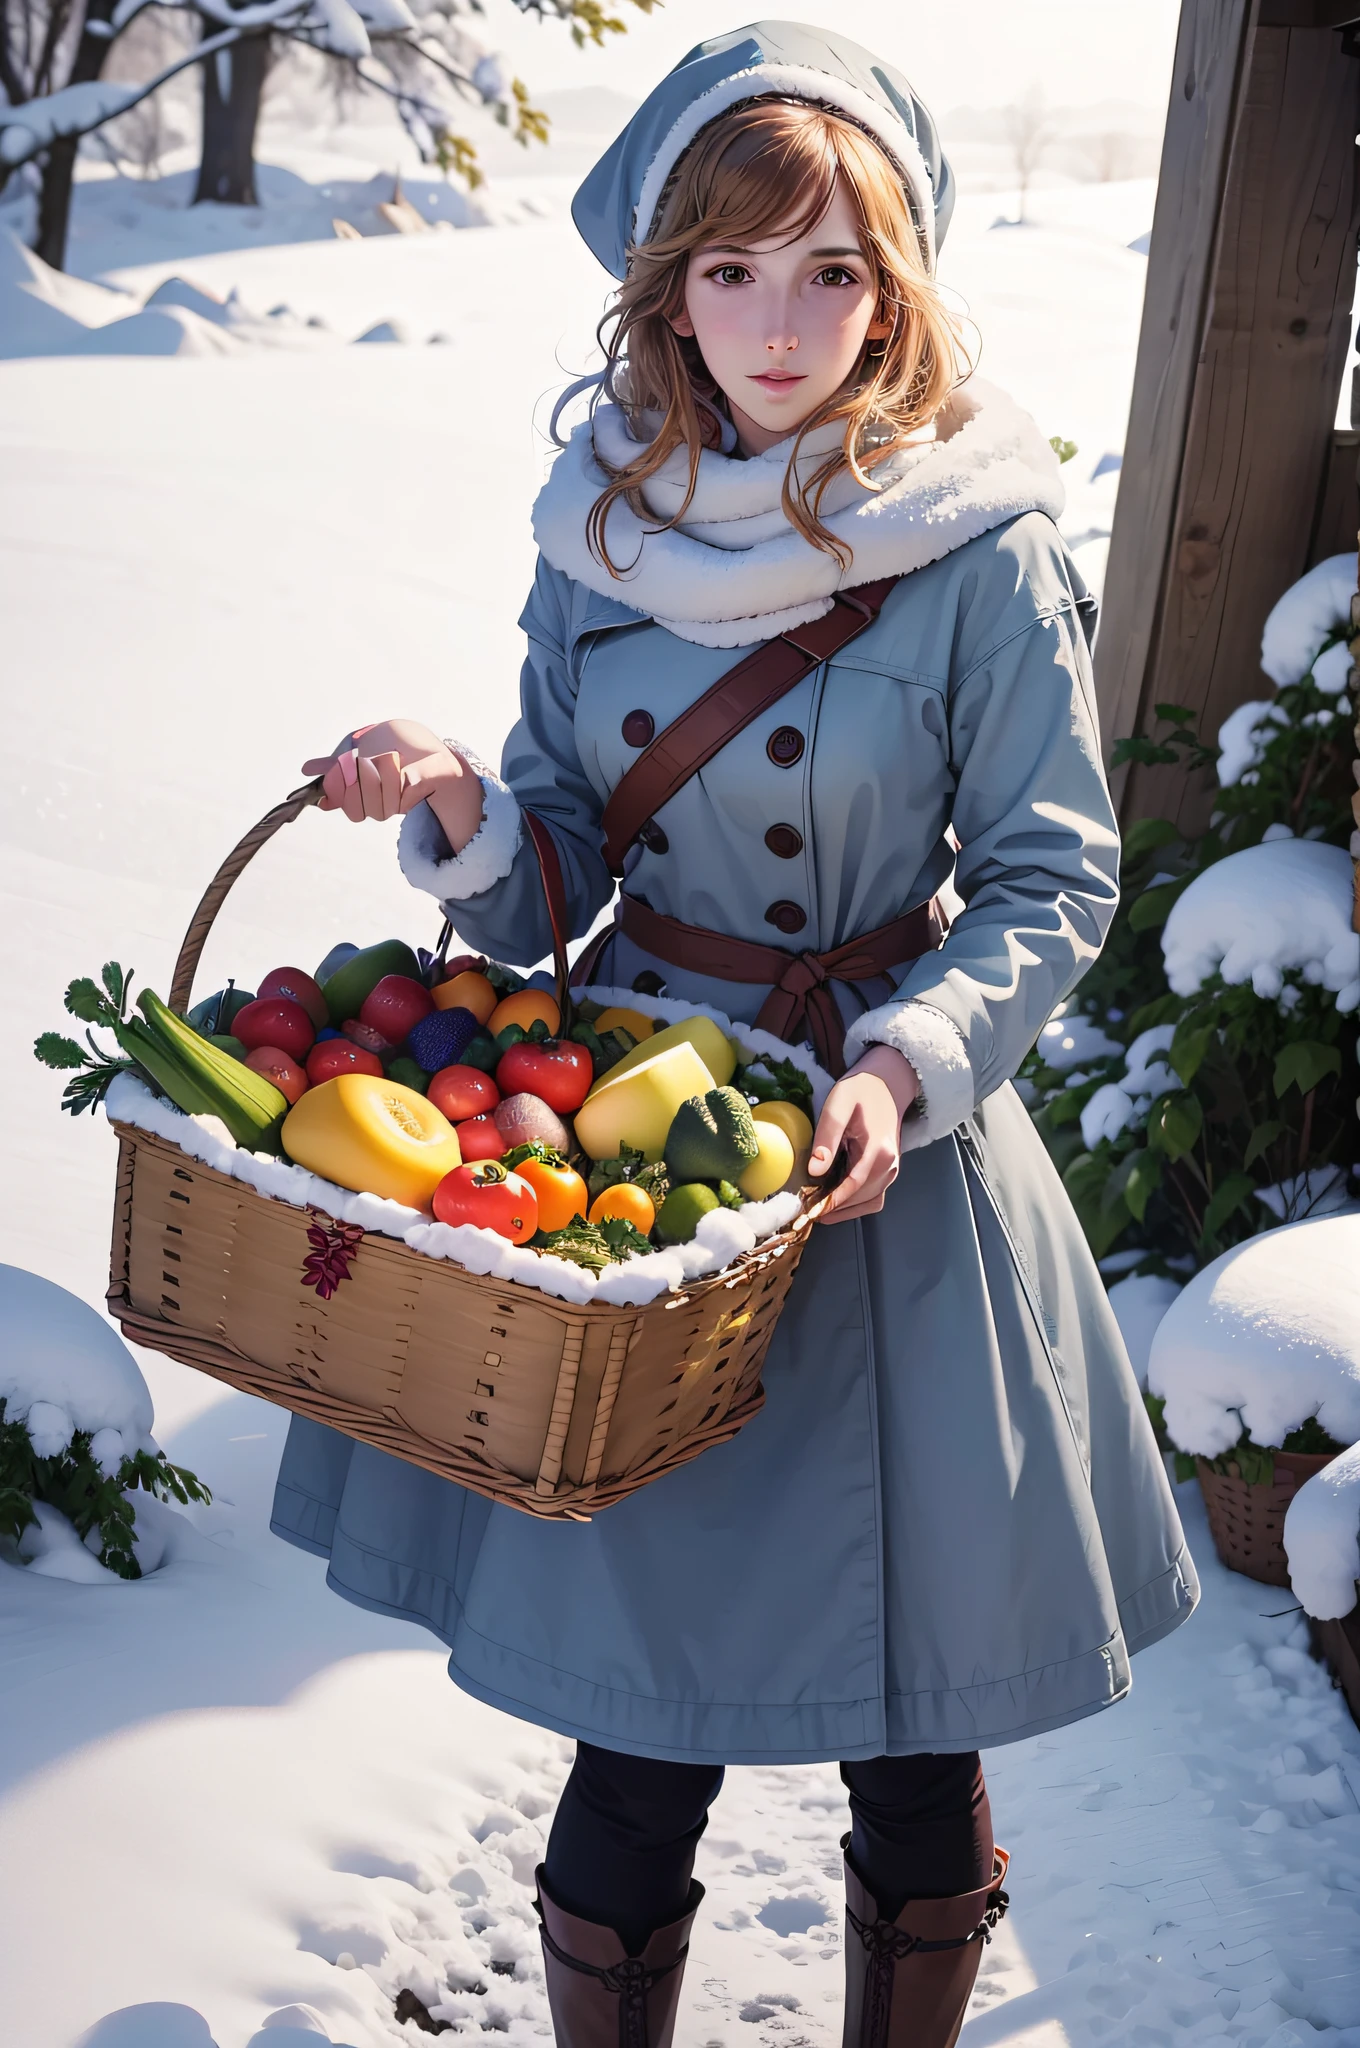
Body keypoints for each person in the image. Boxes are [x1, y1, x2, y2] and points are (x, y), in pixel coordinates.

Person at [273, 24, 1198, 2047]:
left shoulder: (976, 541)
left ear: (896, 284)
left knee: (909, 1731)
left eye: (830, 272)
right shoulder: (594, 532)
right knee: (637, 1733)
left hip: (886, 1171)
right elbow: (548, 881)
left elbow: (1053, 879)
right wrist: (452, 804)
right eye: (730, 270)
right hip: (637, 1177)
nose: (780, 325)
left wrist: (901, 1061)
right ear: (663, 284)